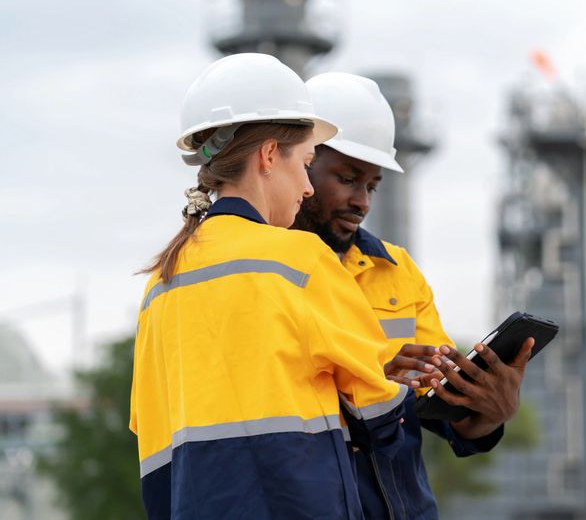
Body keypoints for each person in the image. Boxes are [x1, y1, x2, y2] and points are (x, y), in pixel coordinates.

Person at [129, 55, 407, 520]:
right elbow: (378, 412)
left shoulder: (162, 282)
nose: (308, 187)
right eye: (305, 163)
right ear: (269, 155)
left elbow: (150, 431)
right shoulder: (300, 260)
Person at [294, 72, 535, 519]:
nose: (362, 201)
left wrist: (490, 410)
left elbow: (447, 414)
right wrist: (369, 389)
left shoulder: (397, 272)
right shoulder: (262, 272)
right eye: (347, 178)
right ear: (299, 163)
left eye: (372, 185)